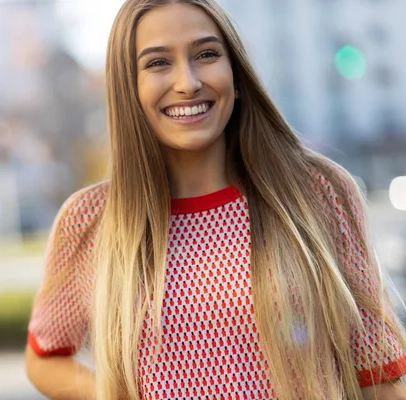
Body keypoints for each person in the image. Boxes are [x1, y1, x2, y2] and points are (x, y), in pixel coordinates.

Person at [25, 1, 406, 399]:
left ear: (236, 74)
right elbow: (45, 357)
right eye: (157, 63)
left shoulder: (318, 192)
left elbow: (378, 374)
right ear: (128, 89)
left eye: (206, 54)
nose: (187, 82)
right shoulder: (90, 220)